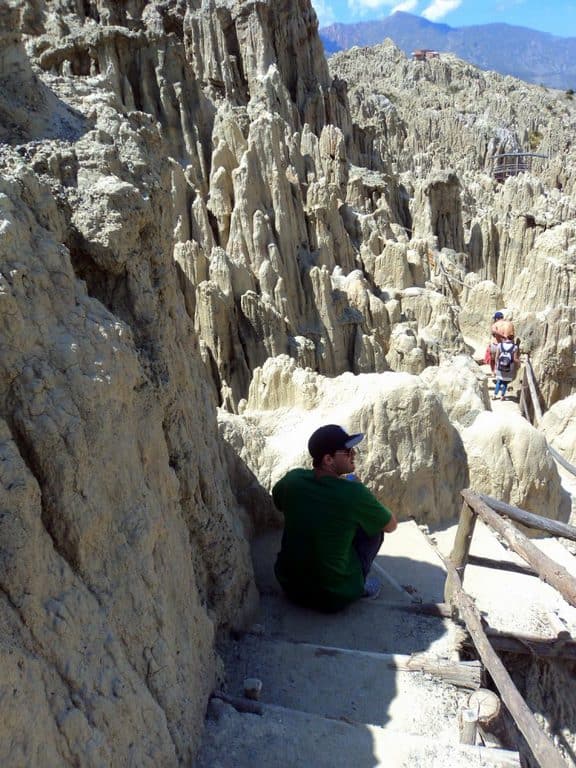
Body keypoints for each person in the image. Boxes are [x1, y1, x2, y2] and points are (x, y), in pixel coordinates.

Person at [272, 425, 397, 613]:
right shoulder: (354, 493)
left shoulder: (292, 480)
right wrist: (359, 494)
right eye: (347, 451)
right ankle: (359, 583)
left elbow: (279, 502)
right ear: (328, 459)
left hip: (290, 587)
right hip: (335, 596)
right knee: (374, 530)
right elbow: (390, 525)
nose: (353, 454)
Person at [493, 333, 519, 400]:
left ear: (506, 338)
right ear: (513, 339)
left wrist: (496, 365)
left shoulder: (500, 345)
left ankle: (494, 395)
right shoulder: (515, 347)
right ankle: (502, 396)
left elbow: (496, 357)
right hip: (509, 367)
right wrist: (519, 363)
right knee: (505, 383)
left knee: (499, 381)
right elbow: (515, 359)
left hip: (500, 365)